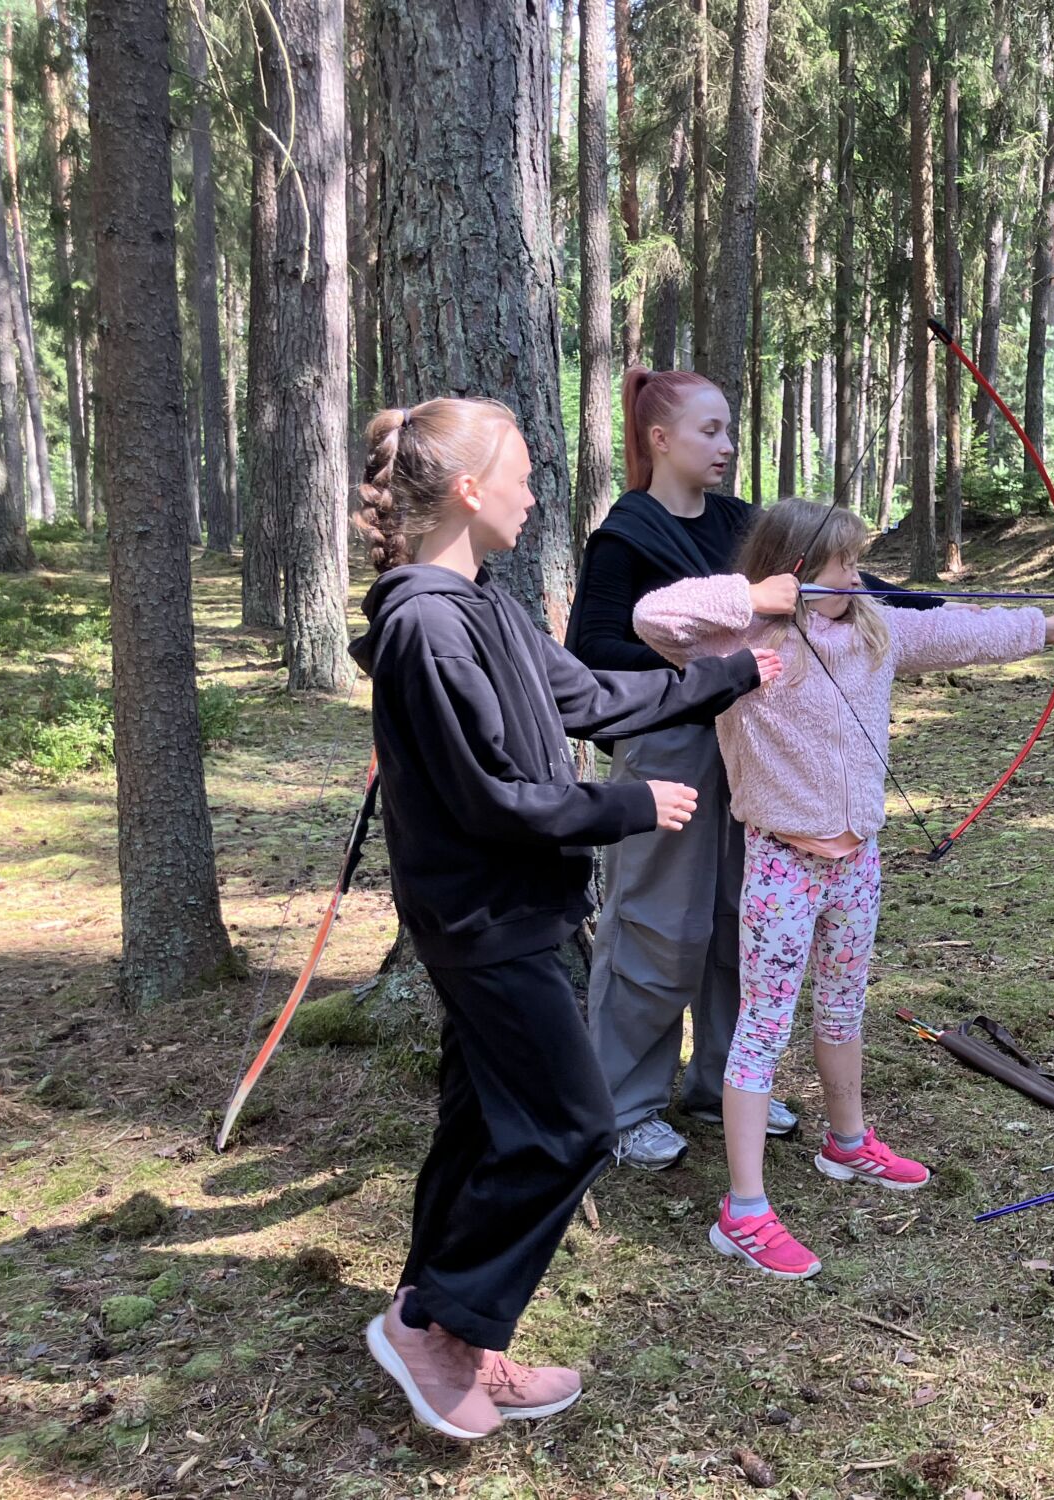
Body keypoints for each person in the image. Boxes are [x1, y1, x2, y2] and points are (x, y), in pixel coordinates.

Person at [346, 398, 781, 1440]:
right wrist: (628, 805)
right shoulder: (423, 628)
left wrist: (732, 673)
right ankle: (435, 1325)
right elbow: (487, 797)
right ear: (465, 490)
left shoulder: (484, 604)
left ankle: (446, 1328)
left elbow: (587, 697)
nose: (534, 491)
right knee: (571, 1129)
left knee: (481, 1124)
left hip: (519, 911)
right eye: (523, 473)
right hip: (480, 919)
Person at [632, 498, 1054, 1277]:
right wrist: (755, 597)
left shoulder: (874, 627)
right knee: (763, 1029)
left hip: (858, 860)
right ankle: (742, 1210)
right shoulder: (740, 636)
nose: (858, 575)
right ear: (798, 570)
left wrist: (1044, 628)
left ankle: (847, 1144)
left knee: (843, 1007)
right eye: (843, 564)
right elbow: (652, 615)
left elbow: (955, 631)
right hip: (782, 859)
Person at [567, 368, 938, 1171]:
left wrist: (945, 609)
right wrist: (711, 665)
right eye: (710, 431)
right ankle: (624, 1104)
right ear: (659, 439)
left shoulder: (741, 522)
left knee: (746, 922)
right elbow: (593, 653)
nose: (727, 446)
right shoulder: (626, 534)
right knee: (659, 924)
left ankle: (726, 1081)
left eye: (730, 430)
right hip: (672, 747)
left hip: (763, 750)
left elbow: (849, 588)